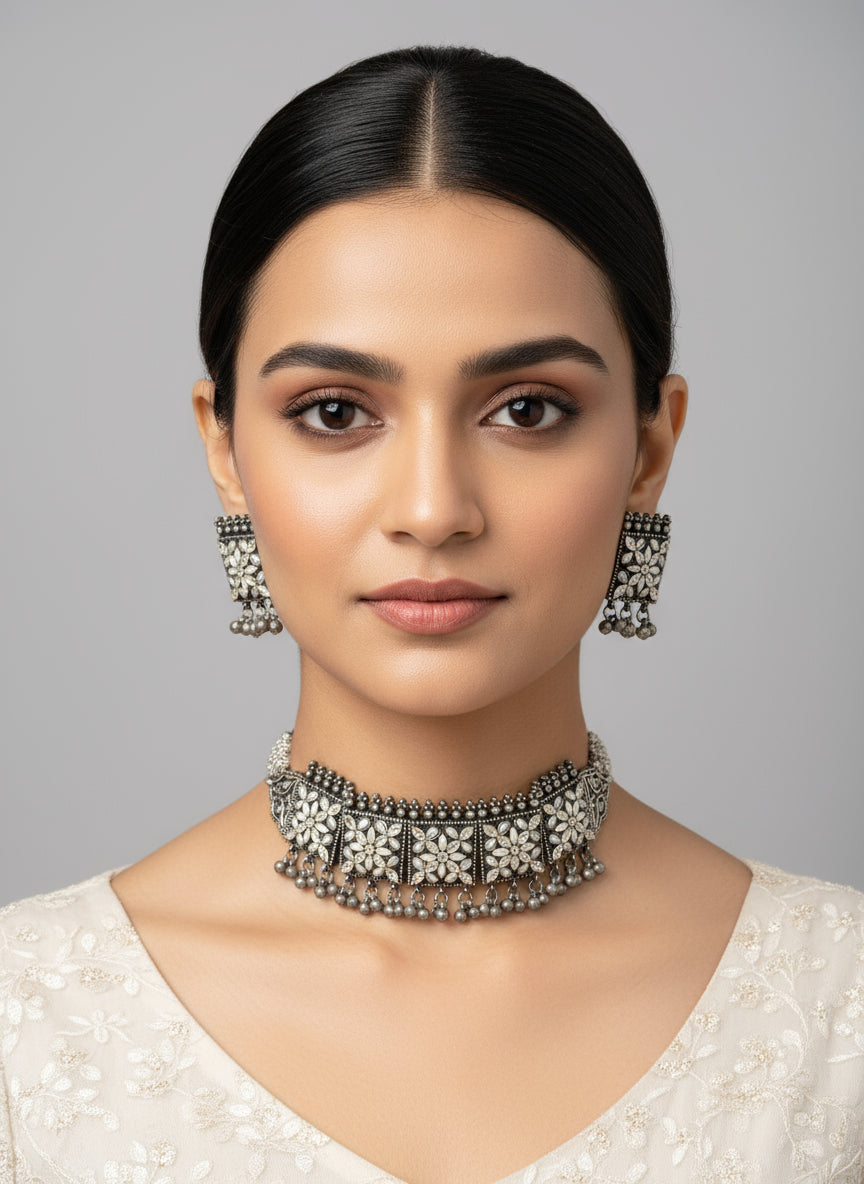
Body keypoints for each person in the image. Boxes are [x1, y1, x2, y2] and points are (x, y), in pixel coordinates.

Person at [1, 43, 862, 1184]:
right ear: (224, 447)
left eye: (526, 407)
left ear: (650, 448)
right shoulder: (29, 1019)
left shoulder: (837, 1004)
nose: (433, 508)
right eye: (336, 411)